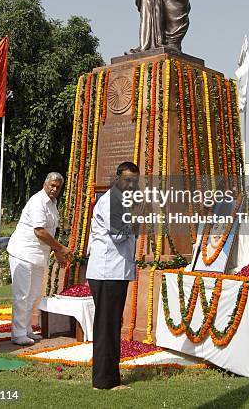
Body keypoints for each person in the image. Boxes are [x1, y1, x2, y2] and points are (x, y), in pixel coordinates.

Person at [86, 161, 140, 390]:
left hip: (112, 271)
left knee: (108, 325)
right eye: (128, 180)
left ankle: (106, 377)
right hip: (108, 271)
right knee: (107, 326)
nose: (131, 185)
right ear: (118, 178)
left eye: (135, 182)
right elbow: (119, 234)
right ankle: (105, 381)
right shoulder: (114, 200)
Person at [7, 172, 70, 345]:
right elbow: (39, 231)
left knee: (33, 295)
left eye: (58, 187)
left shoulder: (53, 204)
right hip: (23, 253)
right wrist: (60, 248)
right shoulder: (37, 201)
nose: (54, 189)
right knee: (22, 295)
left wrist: (56, 250)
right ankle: (18, 333)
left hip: (38, 255)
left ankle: (26, 329)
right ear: (45, 184)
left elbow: (49, 232)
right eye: (52, 185)